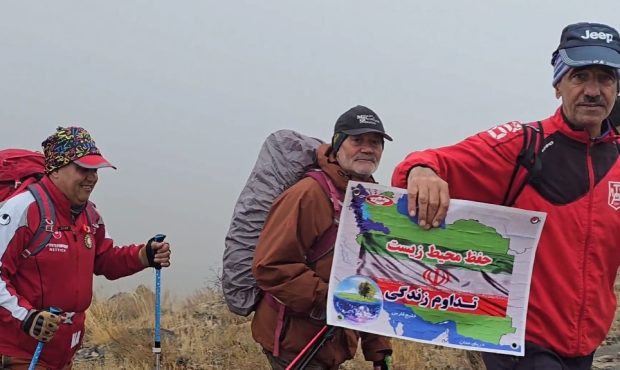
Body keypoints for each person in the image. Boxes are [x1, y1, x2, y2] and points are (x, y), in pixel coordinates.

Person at [392, 22, 620, 370]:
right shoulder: (522, 144)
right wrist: (421, 172)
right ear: (558, 84)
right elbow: (428, 162)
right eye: (579, 76)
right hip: (520, 340)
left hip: (585, 343)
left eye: (605, 78)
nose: (593, 90)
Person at [0, 126, 172, 370]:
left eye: (95, 169)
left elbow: (104, 259)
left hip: (64, 351)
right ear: (56, 169)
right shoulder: (23, 209)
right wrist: (27, 317)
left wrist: (144, 255)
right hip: (22, 352)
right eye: (83, 168)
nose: (92, 177)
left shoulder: (89, 214)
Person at [252, 105, 393, 370]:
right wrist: (332, 300)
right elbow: (270, 266)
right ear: (338, 143)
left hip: (332, 341)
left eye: (375, 142)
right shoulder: (309, 194)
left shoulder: (369, 202)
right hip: (295, 342)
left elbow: (366, 276)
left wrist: (378, 347)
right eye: (357, 140)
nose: (367, 148)